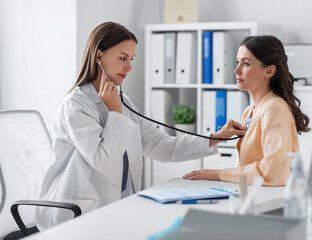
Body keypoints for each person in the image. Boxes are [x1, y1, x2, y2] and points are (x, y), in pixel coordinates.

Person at [35, 22, 246, 230]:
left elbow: (164, 146)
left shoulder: (120, 101)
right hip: (78, 215)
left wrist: (216, 137)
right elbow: (103, 161)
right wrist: (115, 112)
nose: (129, 67)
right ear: (98, 56)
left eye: (131, 59)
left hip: (116, 209)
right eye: (122, 58)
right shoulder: (76, 105)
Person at [183, 35, 310, 186]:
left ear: (269, 71)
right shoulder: (250, 111)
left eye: (246, 64)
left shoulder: (274, 108)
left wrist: (219, 174)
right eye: (237, 62)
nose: (236, 70)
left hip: (265, 198)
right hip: (249, 194)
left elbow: (274, 173)